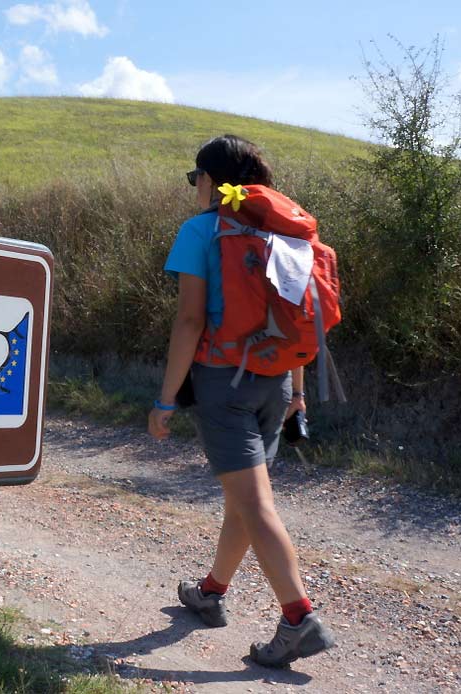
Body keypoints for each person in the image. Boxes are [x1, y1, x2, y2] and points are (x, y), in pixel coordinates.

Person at [148, 134, 336, 668]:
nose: (194, 187)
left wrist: (165, 400)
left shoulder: (201, 231)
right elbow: (289, 317)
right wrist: (298, 393)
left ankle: (299, 619)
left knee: (253, 504)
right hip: (276, 382)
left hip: (222, 384)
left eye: (194, 177)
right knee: (243, 497)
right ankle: (211, 592)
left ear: (210, 179)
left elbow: (189, 320)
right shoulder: (277, 230)